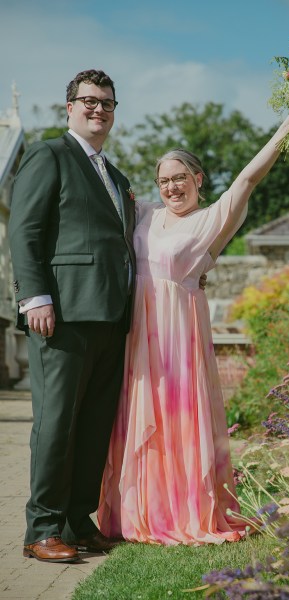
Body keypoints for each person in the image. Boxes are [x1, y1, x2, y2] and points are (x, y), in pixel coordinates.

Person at [98, 109, 289, 545]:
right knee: (136, 412)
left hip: (177, 330)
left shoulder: (211, 219)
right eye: (164, 181)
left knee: (176, 417)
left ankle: (181, 509)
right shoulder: (147, 215)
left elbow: (249, 179)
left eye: (179, 178)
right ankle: (134, 510)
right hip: (136, 327)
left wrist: (284, 130)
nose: (171, 187)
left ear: (198, 178)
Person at [8, 69, 136, 562]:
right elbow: (25, 230)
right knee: (57, 422)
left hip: (110, 318)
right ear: (70, 107)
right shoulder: (49, 154)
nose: (98, 109)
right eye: (89, 101)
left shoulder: (117, 177)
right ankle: (41, 529)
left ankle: (76, 521)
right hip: (60, 315)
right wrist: (35, 296)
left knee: (93, 425)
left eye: (106, 102)